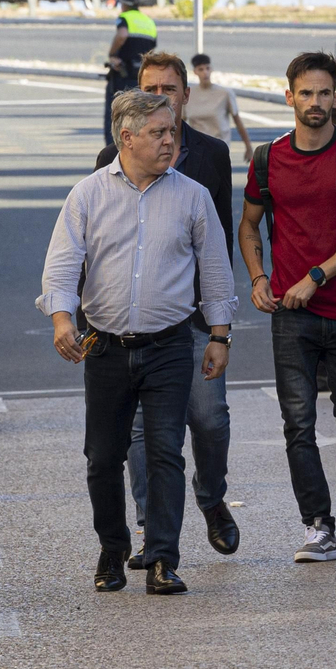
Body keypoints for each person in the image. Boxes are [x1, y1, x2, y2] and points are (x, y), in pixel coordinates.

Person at [39, 90, 236, 595]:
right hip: (103, 348)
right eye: (158, 133)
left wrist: (219, 335)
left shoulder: (191, 196)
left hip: (170, 345)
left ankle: (164, 560)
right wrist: (63, 320)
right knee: (103, 456)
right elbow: (61, 267)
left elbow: (215, 271)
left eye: (172, 131)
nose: (171, 140)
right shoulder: (87, 195)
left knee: (167, 450)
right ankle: (113, 547)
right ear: (126, 138)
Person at [92, 52, 240, 568]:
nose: (162, 96)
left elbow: (215, 247)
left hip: (193, 320)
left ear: (185, 96)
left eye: (170, 89)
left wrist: (218, 328)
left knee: (209, 419)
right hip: (136, 328)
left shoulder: (212, 156)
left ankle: (212, 495)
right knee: (143, 433)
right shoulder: (110, 160)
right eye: (151, 87)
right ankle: (148, 528)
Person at [240, 52, 336, 563]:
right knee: (297, 422)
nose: (316, 102)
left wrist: (316, 276)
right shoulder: (267, 158)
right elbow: (249, 224)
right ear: (290, 98)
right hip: (290, 313)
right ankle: (317, 524)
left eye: (325, 93)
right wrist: (259, 277)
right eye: (306, 93)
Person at [102, 0, 157, 146]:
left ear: (124, 4)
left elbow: (122, 35)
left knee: (116, 113)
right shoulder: (148, 22)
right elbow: (152, 48)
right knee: (139, 115)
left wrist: (112, 53)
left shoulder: (125, 18)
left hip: (123, 73)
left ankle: (113, 150)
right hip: (141, 76)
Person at [188, 54, 254, 165]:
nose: (205, 72)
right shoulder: (189, 95)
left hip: (219, 149)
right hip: (197, 150)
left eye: (207, 68)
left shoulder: (224, 93)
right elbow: (180, 123)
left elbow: (237, 120)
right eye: (201, 69)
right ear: (195, 71)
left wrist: (248, 147)